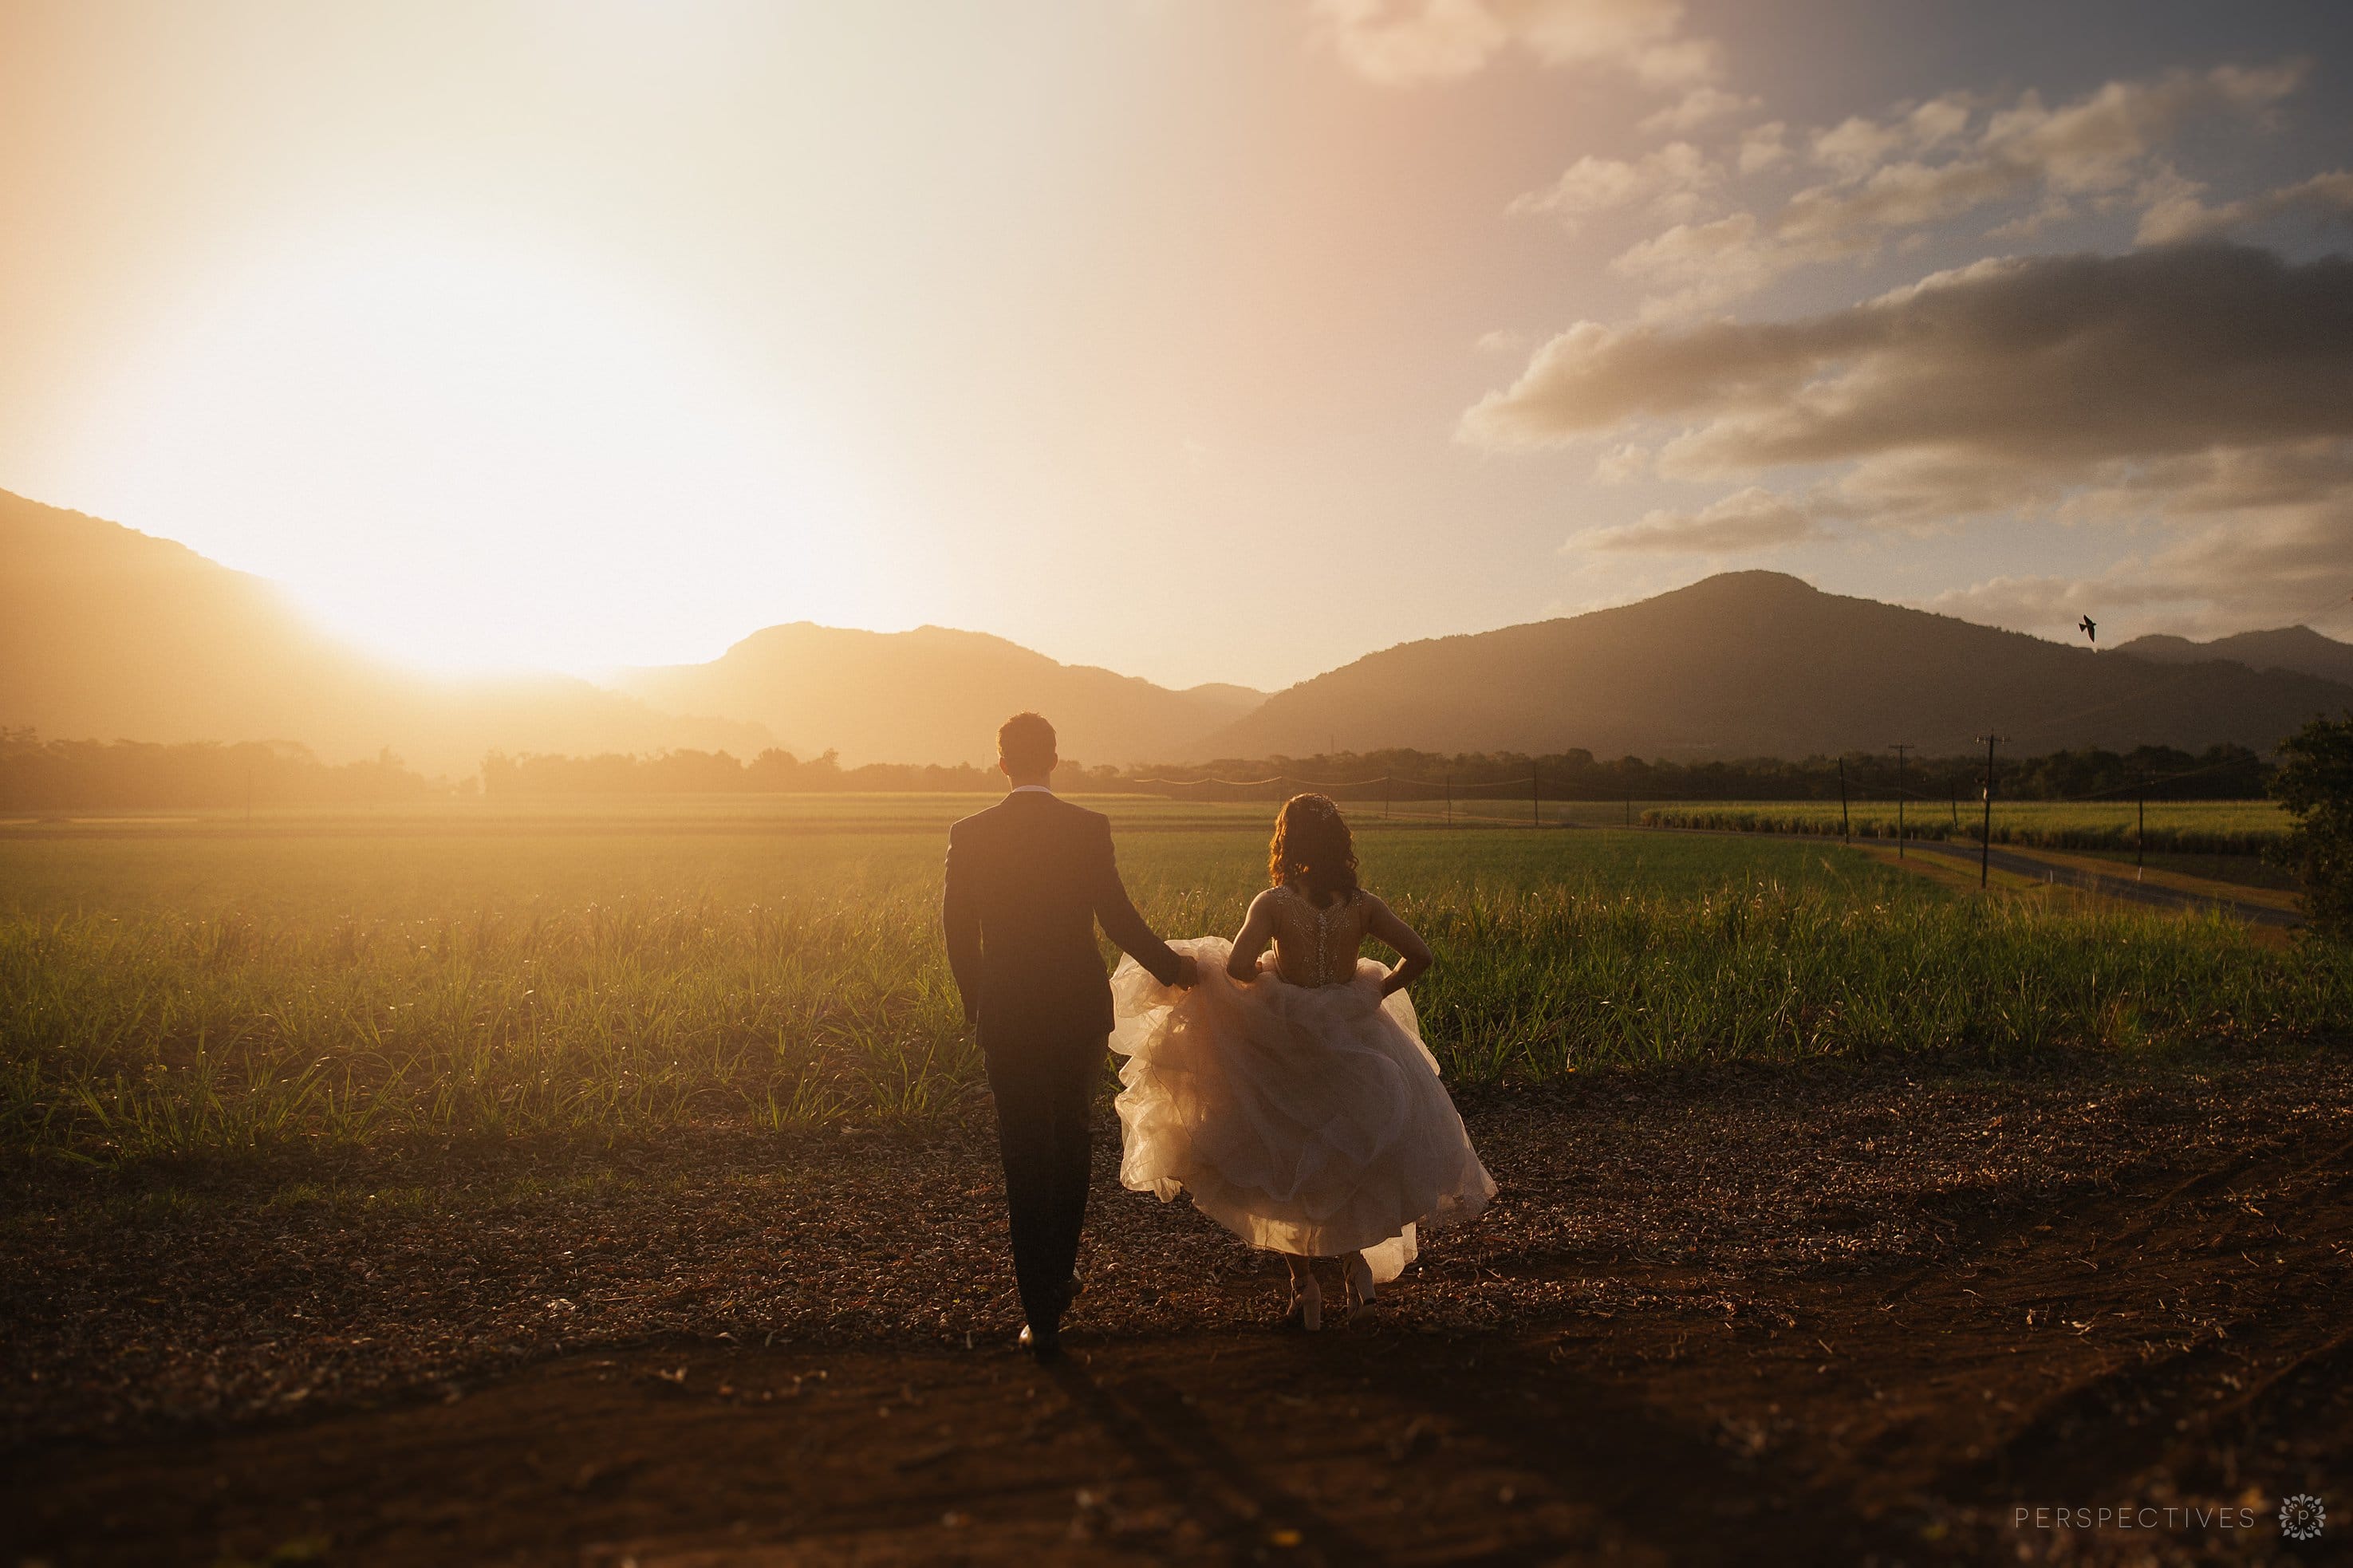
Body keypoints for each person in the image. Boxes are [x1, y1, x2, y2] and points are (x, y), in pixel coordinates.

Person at [1107, 794, 1494, 1330]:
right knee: (1346, 1163)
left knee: (1283, 1164)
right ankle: (1357, 1274)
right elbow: (1421, 955)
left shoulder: (1273, 902)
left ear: (1286, 841)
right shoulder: (1363, 905)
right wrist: (1374, 991)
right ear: (1340, 843)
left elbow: (1240, 966)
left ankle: (1304, 1288)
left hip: (1286, 1042)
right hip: (1354, 1041)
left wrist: (1269, 970)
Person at [941, 711, 1198, 1359]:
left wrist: (980, 1007)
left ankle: (1042, 1308)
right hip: (1078, 1014)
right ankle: (1058, 1275)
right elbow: (1118, 919)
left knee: (1024, 1154)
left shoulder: (970, 834)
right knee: (1071, 1141)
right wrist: (1177, 970)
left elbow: (957, 933)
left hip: (1009, 1017)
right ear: (1054, 760)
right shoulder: (1086, 828)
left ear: (1001, 764)